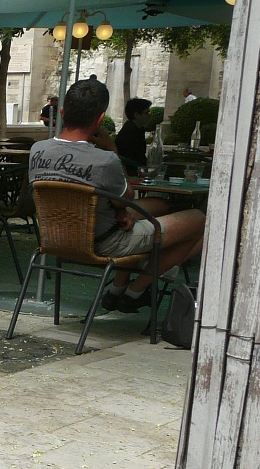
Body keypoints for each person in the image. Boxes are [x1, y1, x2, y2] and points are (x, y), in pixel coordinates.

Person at [28, 79, 204, 314]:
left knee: (160, 204)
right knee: (199, 219)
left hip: (56, 238)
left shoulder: (37, 150)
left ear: (62, 112)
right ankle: (136, 290)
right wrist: (112, 150)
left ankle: (118, 287)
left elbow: (121, 205)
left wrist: (122, 210)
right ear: (100, 119)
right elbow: (125, 198)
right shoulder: (105, 159)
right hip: (105, 242)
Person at [115, 97, 153, 175]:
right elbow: (130, 159)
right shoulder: (129, 132)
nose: (150, 115)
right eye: (146, 113)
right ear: (136, 115)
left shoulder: (139, 129)